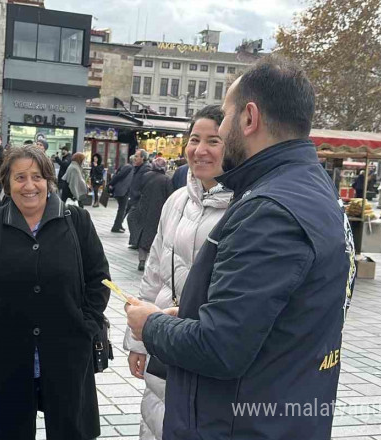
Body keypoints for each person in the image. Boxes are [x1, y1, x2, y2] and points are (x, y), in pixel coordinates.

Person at [125, 56, 354, 440]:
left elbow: (220, 348)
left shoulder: (269, 211)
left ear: (249, 118)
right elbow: (280, 316)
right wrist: (198, 311)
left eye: (226, 117)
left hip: (240, 422)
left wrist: (150, 325)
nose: (222, 126)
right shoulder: (312, 189)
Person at [0, 144, 110, 440]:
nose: (30, 186)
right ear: (7, 183)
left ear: (49, 181)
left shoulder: (76, 221)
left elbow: (99, 278)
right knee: (7, 429)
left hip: (67, 352)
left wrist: (86, 324)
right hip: (7, 352)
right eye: (20, 178)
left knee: (70, 430)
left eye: (37, 177)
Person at [124, 105, 231, 440]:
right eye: (194, 139)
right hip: (163, 346)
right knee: (156, 420)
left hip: (204, 350)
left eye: (213, 141)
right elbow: (154, 274)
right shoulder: (176, 201)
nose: (200, 150)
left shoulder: (246, 207)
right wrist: (138, 341)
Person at [128, 157, 174, 271]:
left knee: (143, 234)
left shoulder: (146, 175)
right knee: (155, 236)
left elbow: (138, 190)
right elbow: (171, 197)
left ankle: (142, 260)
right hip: (158, 211)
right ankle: (153, 263)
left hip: (143, 208)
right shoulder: (166, 180)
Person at [126, 149, 151, 249]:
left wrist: (139, 194)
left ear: (143, 158)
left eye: (137, 156)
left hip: (140, 199)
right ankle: (137, 242)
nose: (134, 158)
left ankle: (137, 242)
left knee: (132, 218)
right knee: (135, 219)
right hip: (135, 198)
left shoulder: (146, 169)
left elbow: (145, 185)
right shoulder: (137, 168)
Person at [108, 158, 135, 233]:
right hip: (122, 191)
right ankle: (116, 227)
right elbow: (118, 176)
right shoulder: (128, 167)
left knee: (124, 209)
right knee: (122, 209)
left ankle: (119, 225)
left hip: (124, 191)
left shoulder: (129, 167)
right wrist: (110, 184)